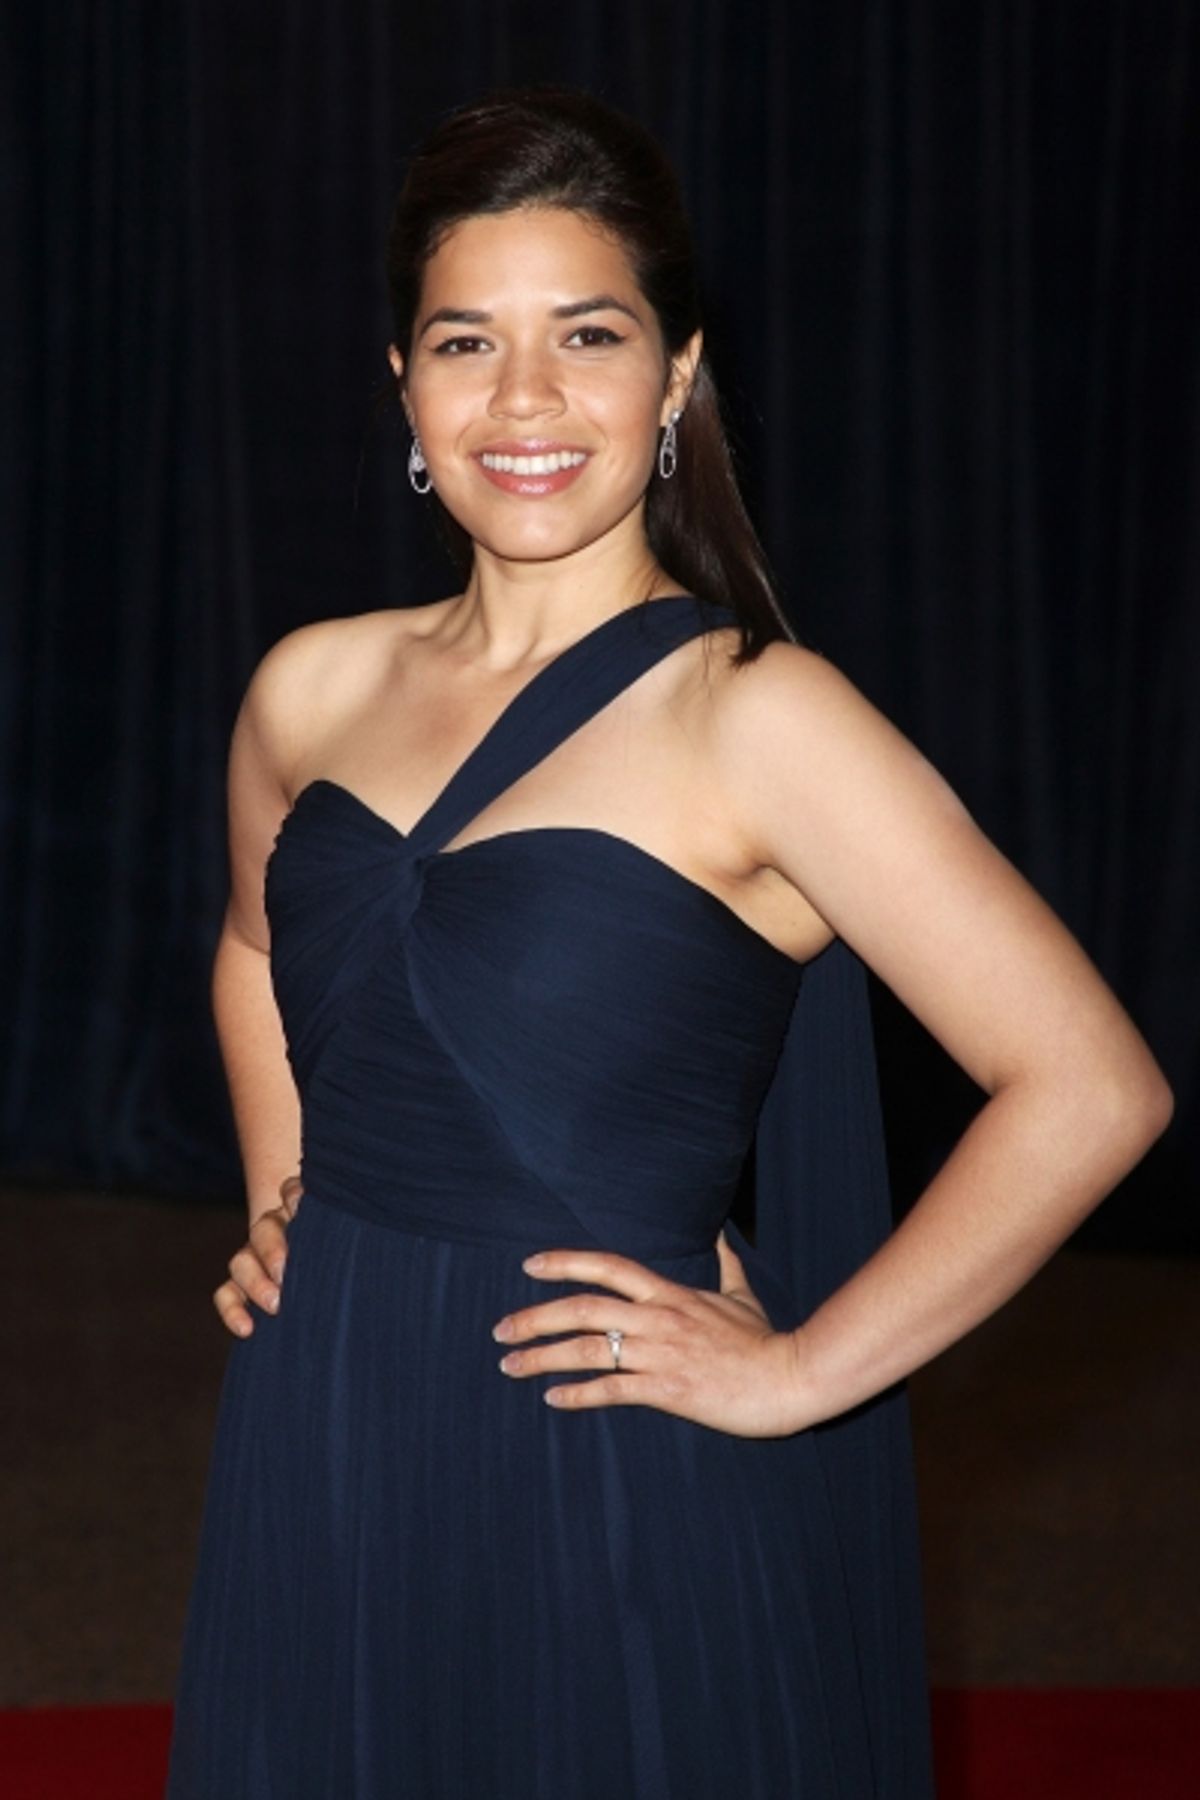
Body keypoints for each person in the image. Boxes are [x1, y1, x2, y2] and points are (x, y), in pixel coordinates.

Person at [165, 83, 1173, 1798]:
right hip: (321, 1430)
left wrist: (798, 1376)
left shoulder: (761, 719)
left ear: (679, 375)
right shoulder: (311, 684)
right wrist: (291, 1194)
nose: (527, 399)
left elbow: (1091, 1087)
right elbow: (260, 950)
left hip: (609, 1459)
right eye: (466, 341)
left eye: (589, 334)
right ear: (403, 384)